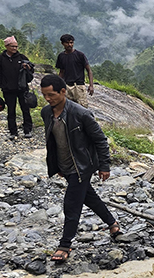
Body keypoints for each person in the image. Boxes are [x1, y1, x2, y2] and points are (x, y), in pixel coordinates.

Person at [39, 74, 121, 262]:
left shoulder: (80, 113)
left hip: (82, 166)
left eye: (51, 95)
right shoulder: (46, 113)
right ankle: (112, 223)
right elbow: (52, 142)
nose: (48, 99)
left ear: (63, 91)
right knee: (89, 198)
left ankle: (65, 244)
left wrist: (104, 165)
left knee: (72, 203)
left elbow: (100, 139)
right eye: (44, 95)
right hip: (66, 165)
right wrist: (56, 164)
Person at [0, 36, 35, 139]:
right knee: (11, 110)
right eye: (12, 46)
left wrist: (28, 68)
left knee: (25, 109)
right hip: (8, 89)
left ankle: (27, 130)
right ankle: (13, 132)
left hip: (22, 88)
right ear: (6, 46)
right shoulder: (0, 59)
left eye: (16, 46)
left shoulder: (22, 57)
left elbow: (31, 71)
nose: (15, 48)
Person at [55, 34, 94, 108]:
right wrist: (58, 85)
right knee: (68, 108)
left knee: (82, 108)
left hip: (78, 86)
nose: (69, 45)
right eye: (67, 43)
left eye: (71, 42)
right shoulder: (61, 56)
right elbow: (61, 72)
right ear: (62, 43)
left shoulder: (80, 55)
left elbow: (89, 70)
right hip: (67, 86)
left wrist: (91, 85)